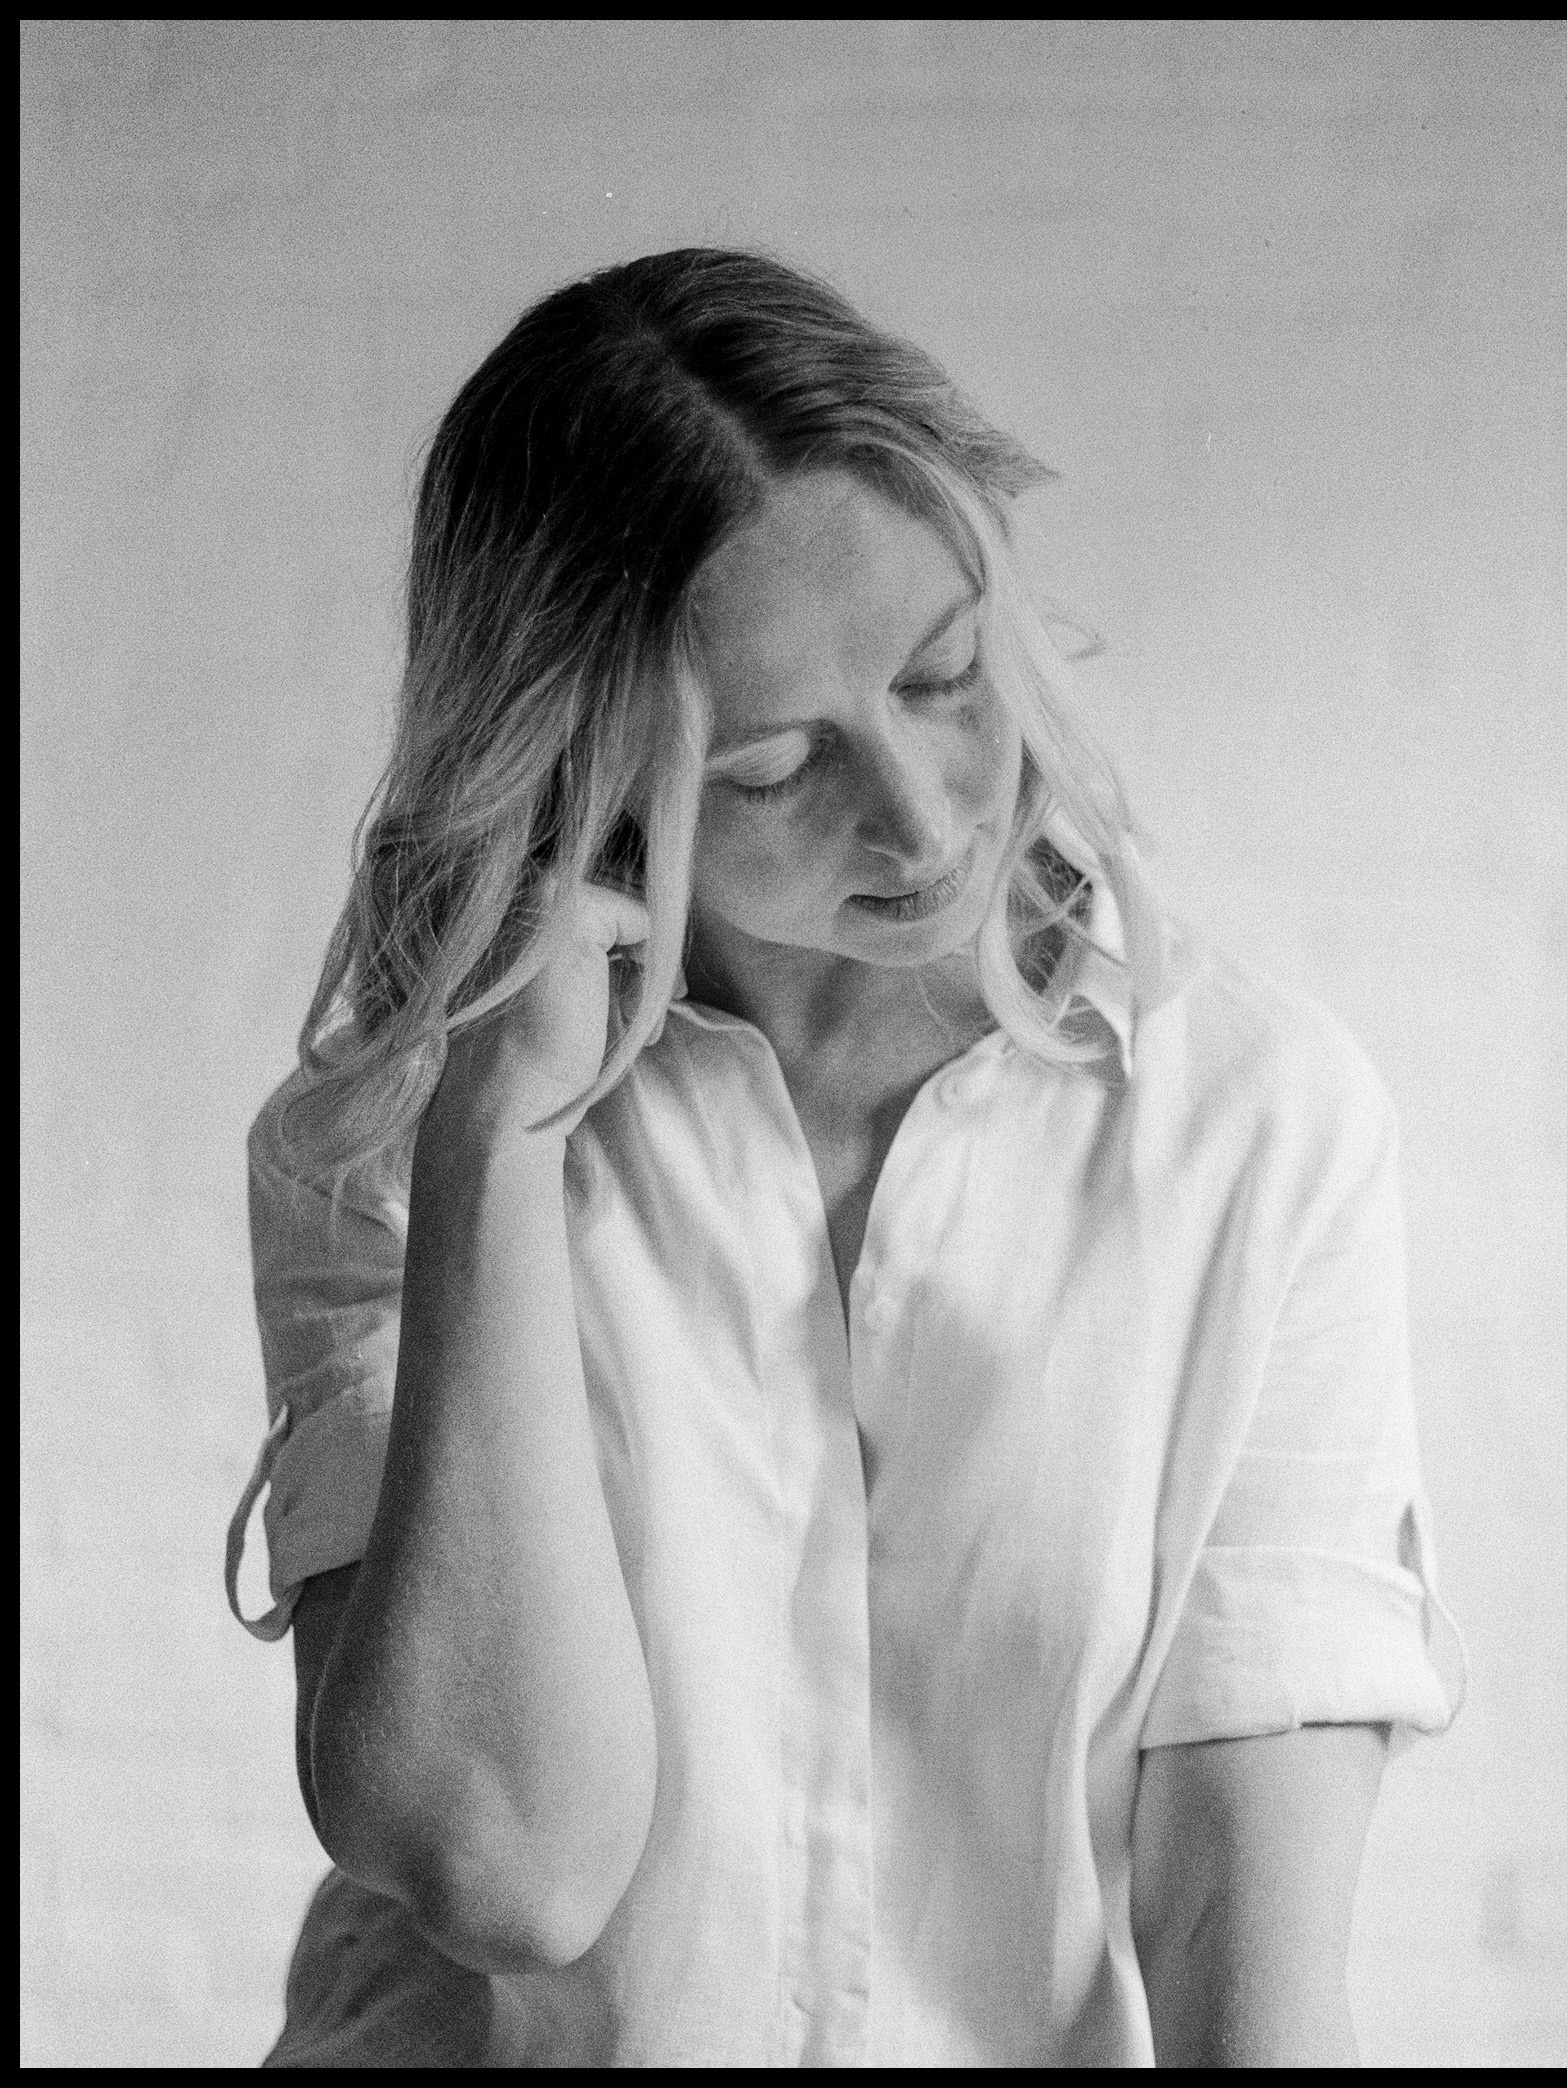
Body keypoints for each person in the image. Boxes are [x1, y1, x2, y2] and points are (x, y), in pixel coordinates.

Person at [225, 247, 1465, 2067]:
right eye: (774, 767)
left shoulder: (1255, 1131)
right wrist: (498, 1132)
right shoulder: (393, 1151)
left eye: (944, 675)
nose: (925, 813)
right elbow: (509, 1870)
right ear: (582, 776)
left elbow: (1241, 1939)